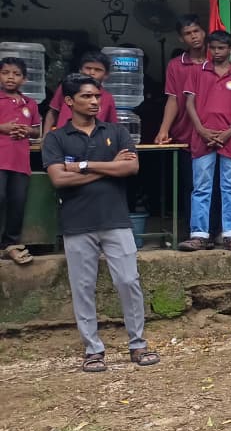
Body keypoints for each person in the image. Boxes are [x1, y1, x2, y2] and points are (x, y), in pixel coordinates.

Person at [43, 73, 157, 370]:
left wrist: (83, 166)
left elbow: (131, 168)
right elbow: (58, 179)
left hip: (116, 219)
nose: (95, 101)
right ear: (69, 101)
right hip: (76, 221)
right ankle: (93, 350)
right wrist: (110, 167)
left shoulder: (116, 131)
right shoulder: (55, 138)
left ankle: (138, 344)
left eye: (97, 96)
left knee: (129, 281)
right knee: (82, 287)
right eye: (87, 96)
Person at [178, 31, 231, 254]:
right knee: (201, 187)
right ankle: (198, 235)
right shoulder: (198, 72)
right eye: (213, 48)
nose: (217, 52)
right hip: (202, 137)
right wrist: (200, 129)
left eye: (221, 48)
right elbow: (189, 103)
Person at [1, 56, 41, 263]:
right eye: (6, 73)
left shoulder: (30, 104)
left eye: (16, 74)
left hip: (19, 161)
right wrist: (3, 128)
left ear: (24, 79)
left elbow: (36, 131)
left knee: (17, 202)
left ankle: (10, 244)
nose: (10, 77)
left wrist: (26, 131)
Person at [155, 14, 205, 147]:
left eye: (196, 31)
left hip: (214, 133)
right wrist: (163, 130)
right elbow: (173, 99)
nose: (193, 36)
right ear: (181, 38)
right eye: (188, 33)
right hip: (184, 134)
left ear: (204, 32)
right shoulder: (175, 65)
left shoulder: (217, 63)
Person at [43, 51, 118, 132]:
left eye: (98, 70)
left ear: (106, 75)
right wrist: (46, 137)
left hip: (92, 141)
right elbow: (52, 113)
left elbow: (113, 126)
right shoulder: (65, 88)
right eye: (88, 68)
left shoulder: (107, 97)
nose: (92, 72)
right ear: (80, 70)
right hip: (62, 139)